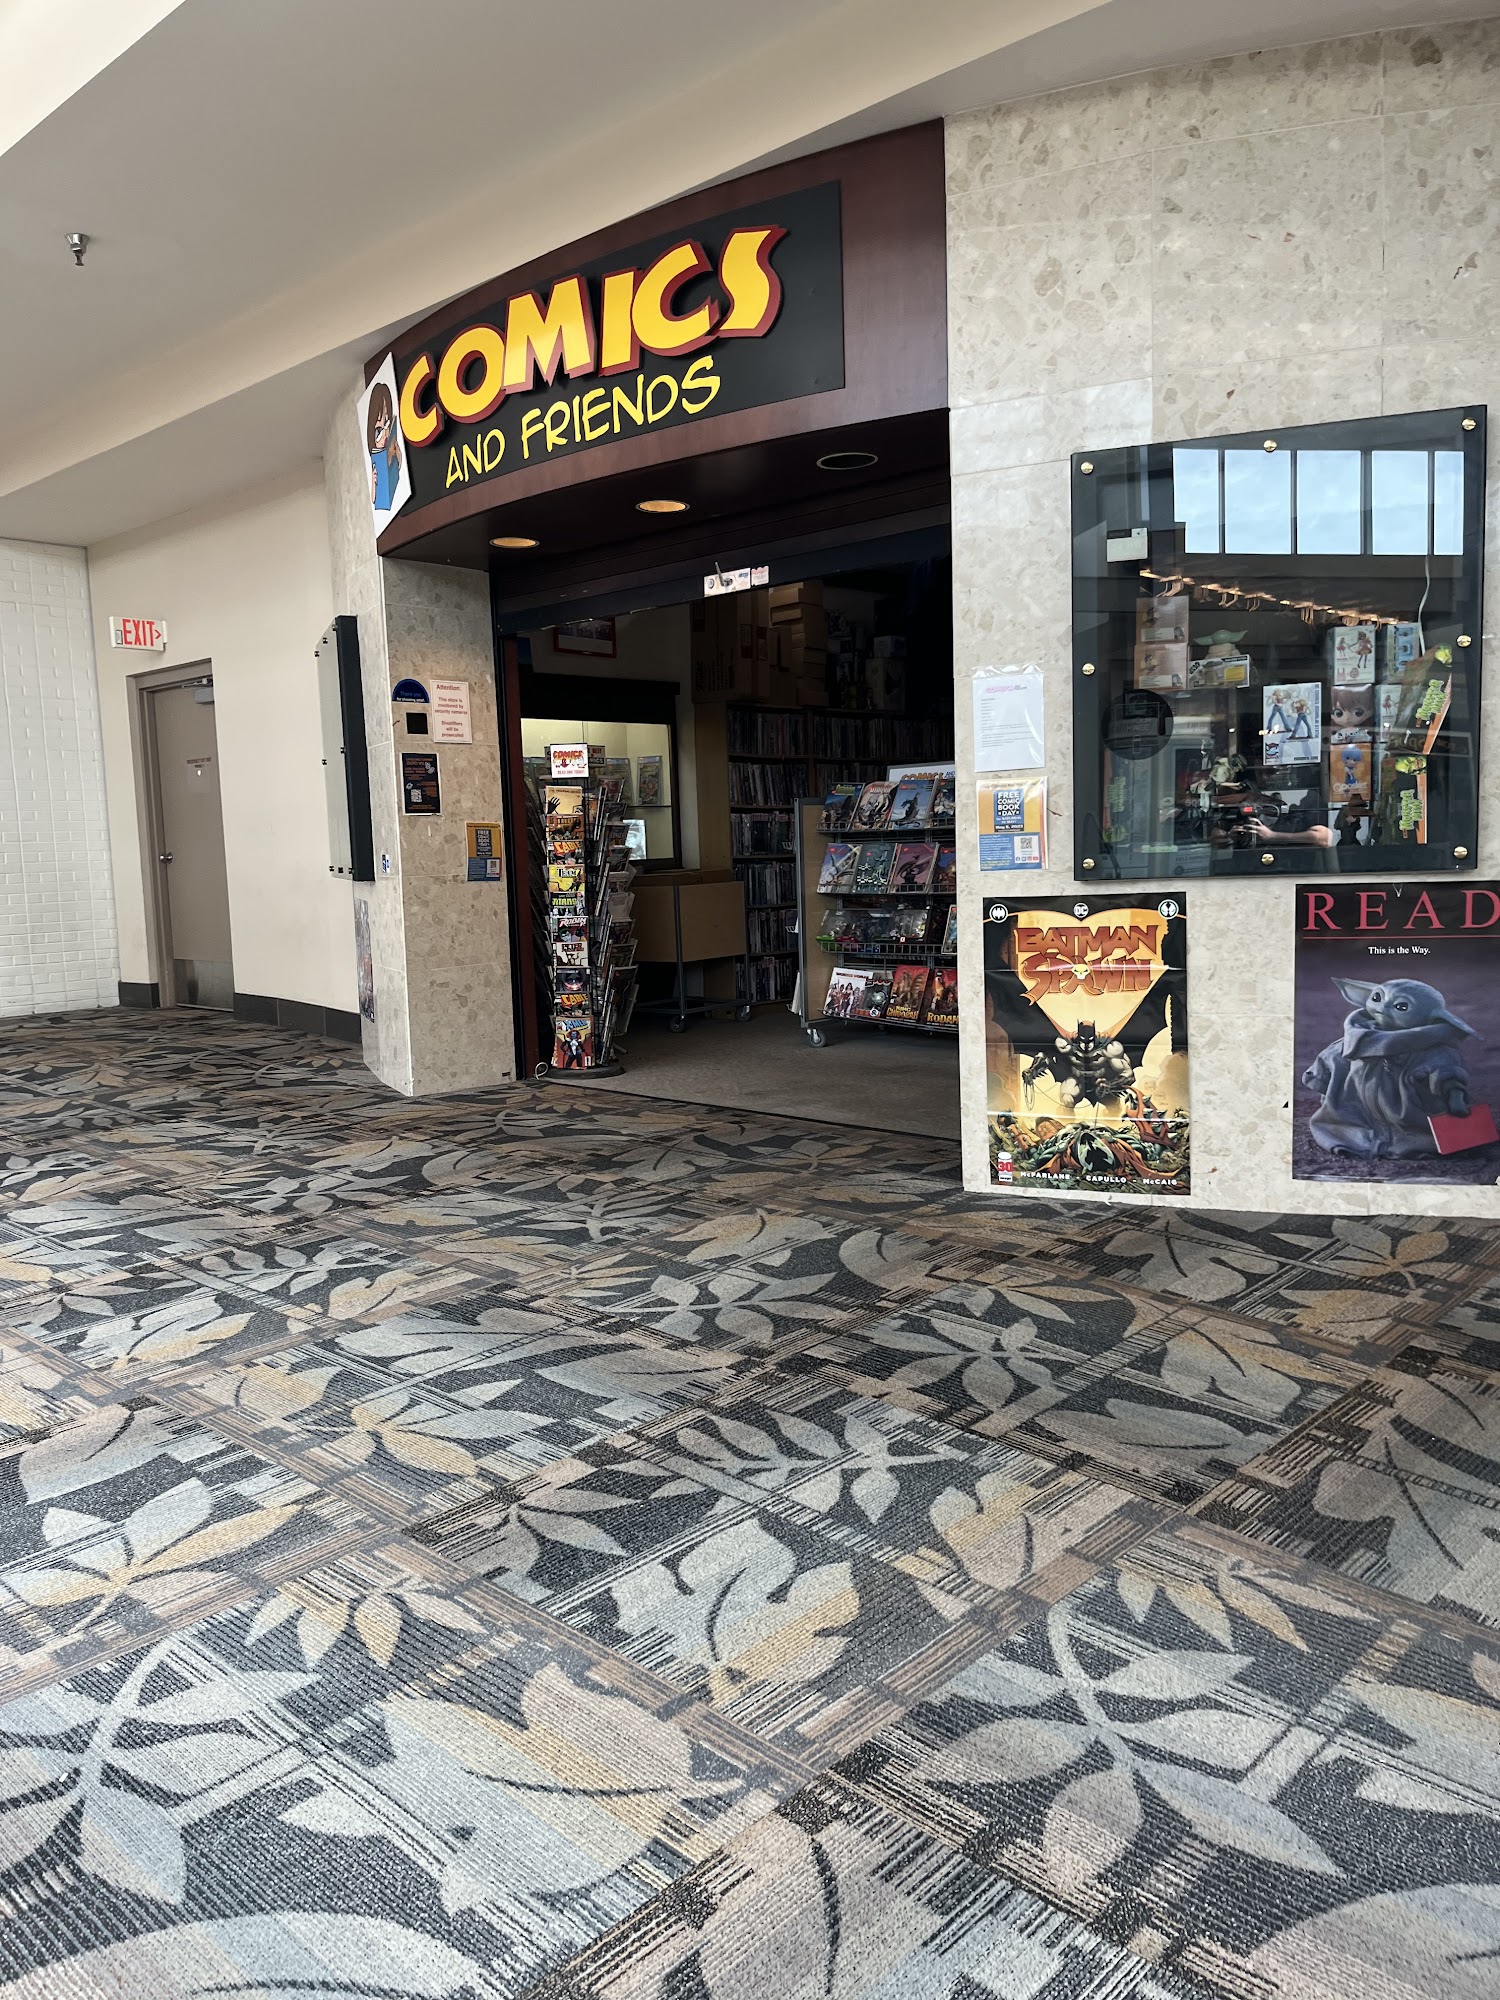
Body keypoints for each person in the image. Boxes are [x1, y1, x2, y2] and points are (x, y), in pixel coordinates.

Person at [367, 382, 403, 511]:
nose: (384, 435)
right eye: (378, 430)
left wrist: (397, 453)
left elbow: (397, 468)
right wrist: (373, 481)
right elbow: (373, 499)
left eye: (387, 424)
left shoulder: (389, 447)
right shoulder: (376, 457)